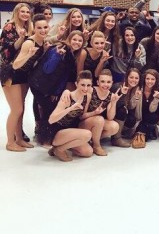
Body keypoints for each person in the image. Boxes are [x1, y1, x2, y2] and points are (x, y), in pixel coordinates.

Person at [30, 31, 86, 145]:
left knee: (50, 111)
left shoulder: (71, 54)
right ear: (69, 39)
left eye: (80, 41)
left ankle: (48, 138)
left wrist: (56, 92)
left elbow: (63, 76)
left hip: (49, 87)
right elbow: (47, 69)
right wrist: (57, 55)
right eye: (74, 39)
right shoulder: (59, 49)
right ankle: (44, 139)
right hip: (39, 86)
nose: (77, 42)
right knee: (48, 112)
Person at [4, 14, 49, 151]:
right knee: (16, 110)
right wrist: (29, 54)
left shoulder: (43, 42)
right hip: (12, 76)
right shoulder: (30, 42)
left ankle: (19, 139)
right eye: (39, 28)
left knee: (21, 110)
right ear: (34, 28)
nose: (42, 30)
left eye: (45, 27)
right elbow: (16, 65)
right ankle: (10, 143)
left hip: (24, 77)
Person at [46, 70, 95, 162]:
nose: (85, 88)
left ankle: (59, 148)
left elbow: (82, 116)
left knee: (88, 152)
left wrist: (95, 113)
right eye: (82, 85)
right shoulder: (68, 97)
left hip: (71, 131)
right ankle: (59, 149)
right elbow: (51, 120)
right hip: (56, 131)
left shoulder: (87, 96)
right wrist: (70, 108)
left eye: (88, 85)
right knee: (87, 134)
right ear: (76, 84)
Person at [79, 69, 120, 156]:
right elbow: (81, 116)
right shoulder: (90, 90)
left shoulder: (111, 95)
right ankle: (96, 145)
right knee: (99, 119)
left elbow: (110, 117)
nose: (106, 85)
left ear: (112, 83)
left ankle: (91, 140)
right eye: (103, 81)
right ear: (98, 82)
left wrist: (113, 103)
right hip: (83, 122)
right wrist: (94, 113)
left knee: (114, 126)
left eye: (108, 82)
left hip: (96, 123)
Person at [130, 69, 159, 148]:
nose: (149, 81)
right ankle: (143, 131)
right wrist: (136, 97)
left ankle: (144, 131)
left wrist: (156, 99)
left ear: (156, 80)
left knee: (153, 117)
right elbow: (131, 106)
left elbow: (152, 110)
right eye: (147, 79)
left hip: (149, 119)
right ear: (144, 79)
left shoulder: (157, 92)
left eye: (152, 79)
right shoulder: (137, 89)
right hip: (138, 117)